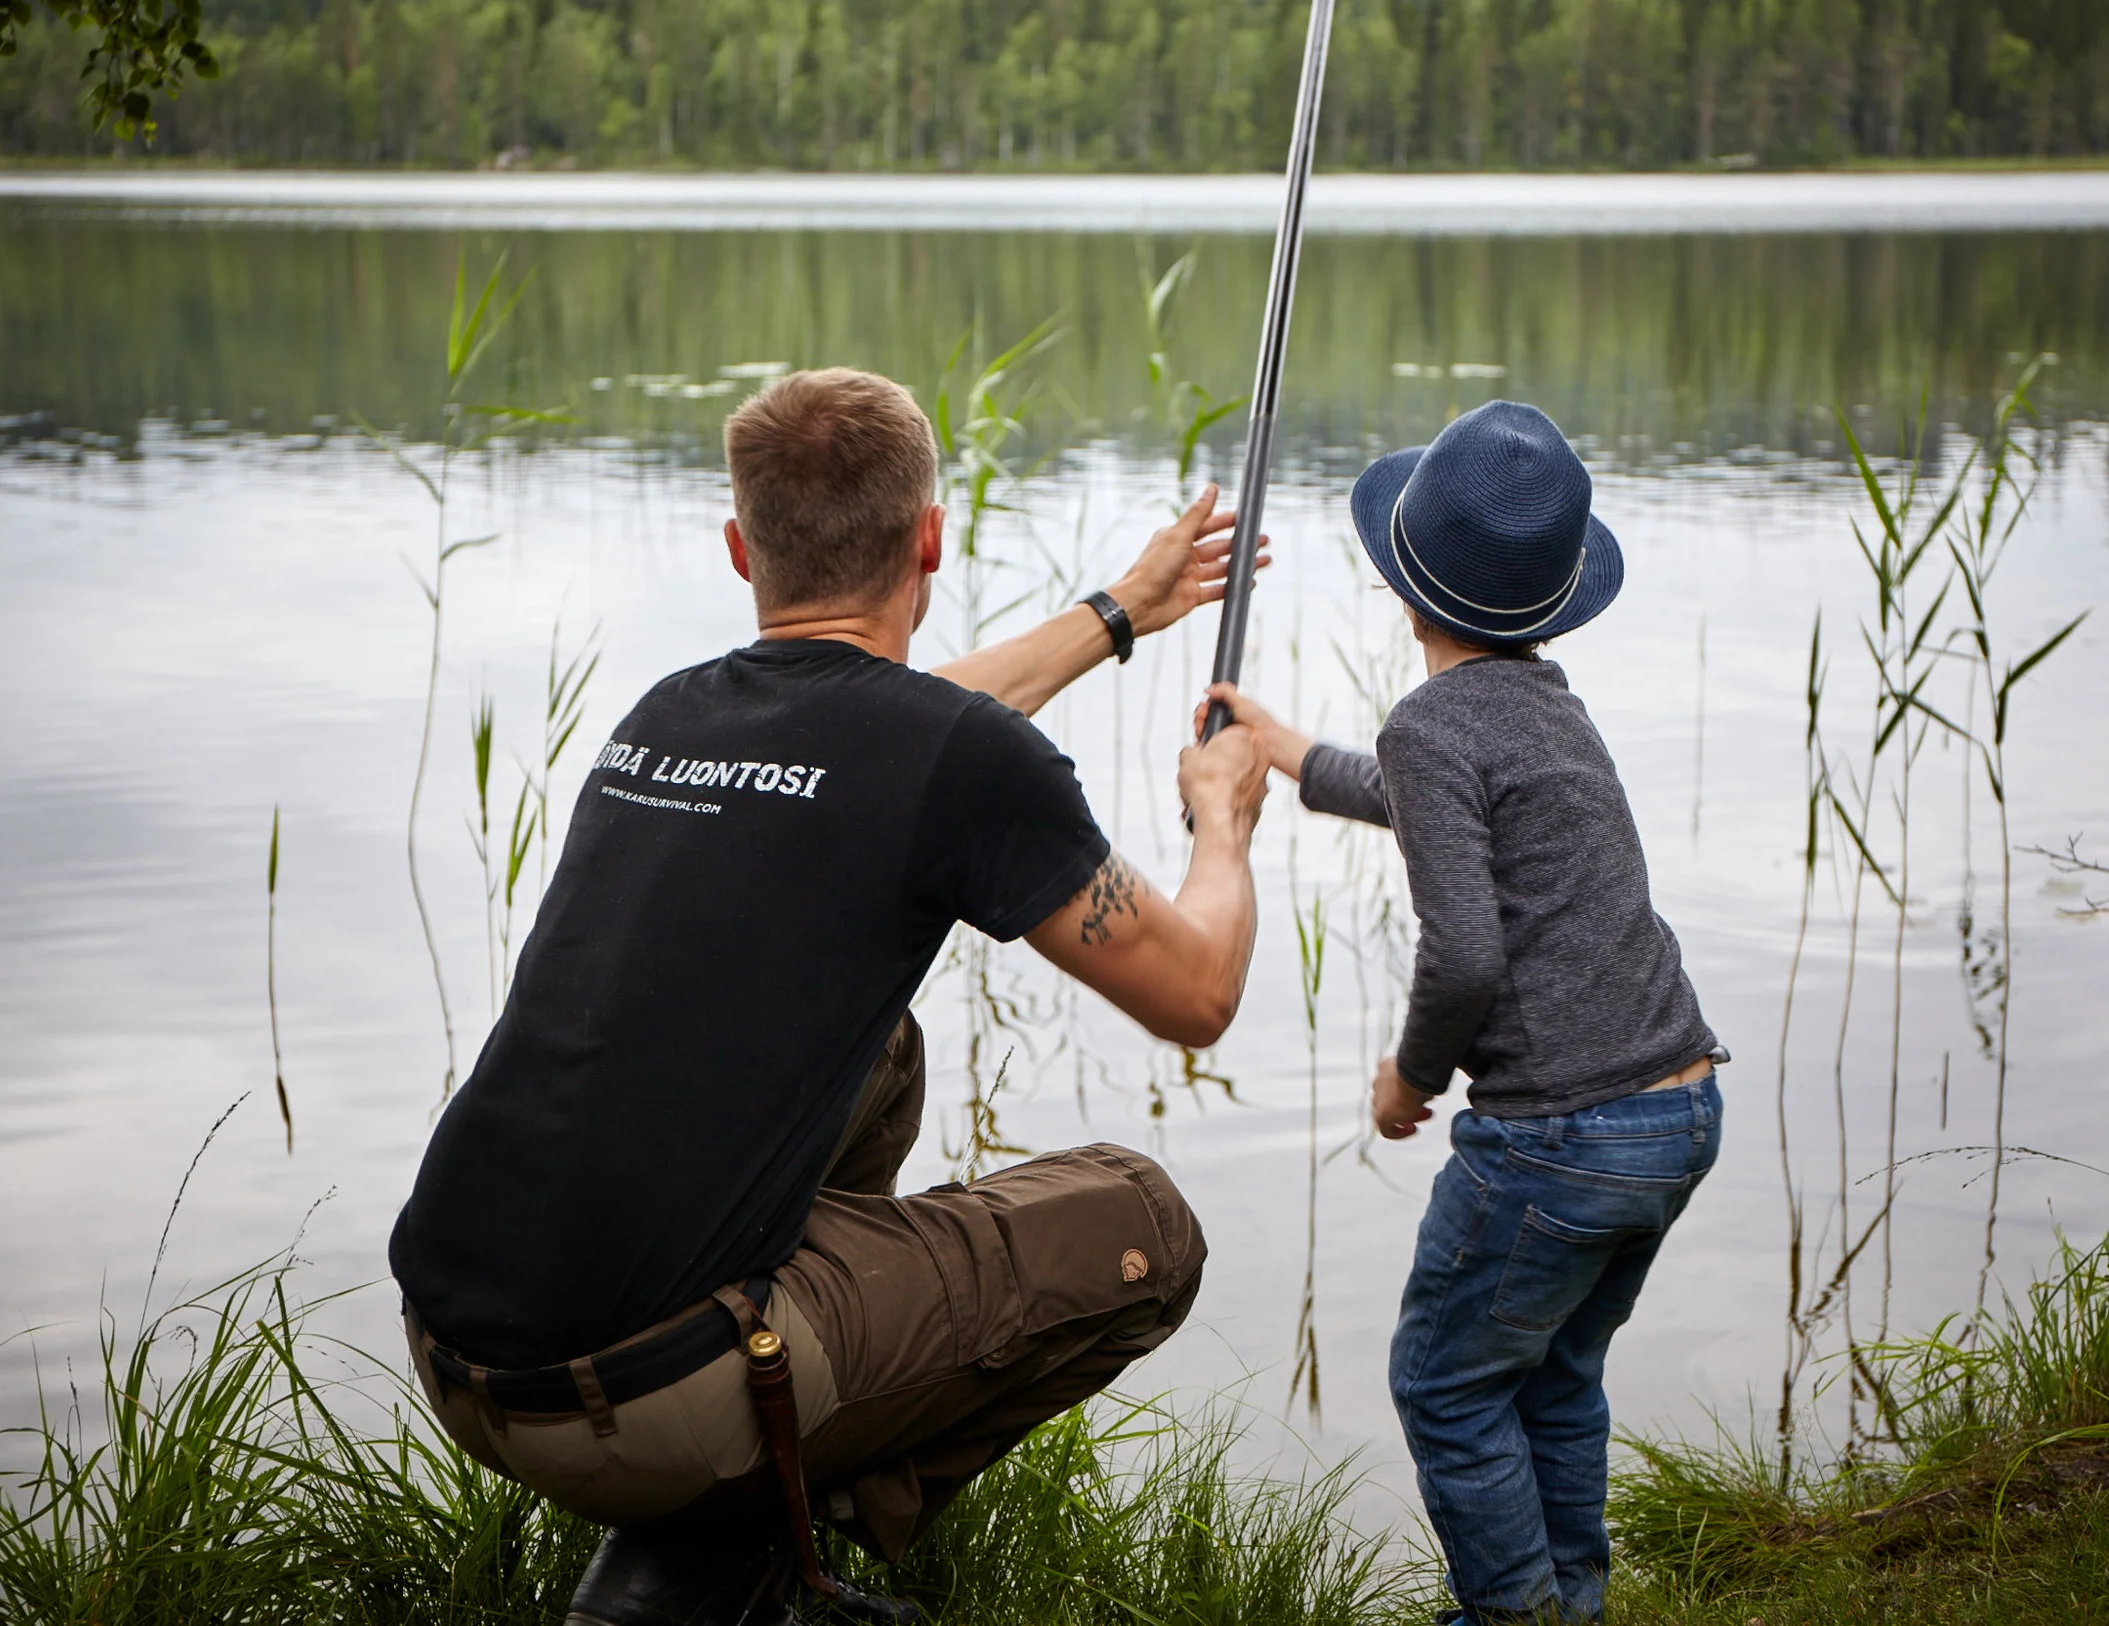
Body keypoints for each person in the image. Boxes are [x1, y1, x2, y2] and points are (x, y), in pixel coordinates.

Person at [388, 367, 1272, 1626]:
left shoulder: (667, 713)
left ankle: (737, 1488)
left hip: (457, 1350)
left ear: (742, 549)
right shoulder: (949, 758)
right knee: (1145, 1224)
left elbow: (904, 727)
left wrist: (1118, 612)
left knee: (881, 1056)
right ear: (930, 537)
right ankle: (735, 1555)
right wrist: (1222, 821)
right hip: (641, 1400)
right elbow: (1199, 995)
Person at [1208, 401, 1724, 1625]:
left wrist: (1408, 1081)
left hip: (1560, 1135)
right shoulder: (1547, 706)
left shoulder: (1433, 724)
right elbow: (1424, 795)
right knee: (1551, 1376)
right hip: (1679, 1104)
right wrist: (1280, 749)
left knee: (1442, 1383)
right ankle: (1569, 1601)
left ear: (1403, 586)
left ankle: (1513, 1615)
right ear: (1550, 600)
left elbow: (1465, 959)